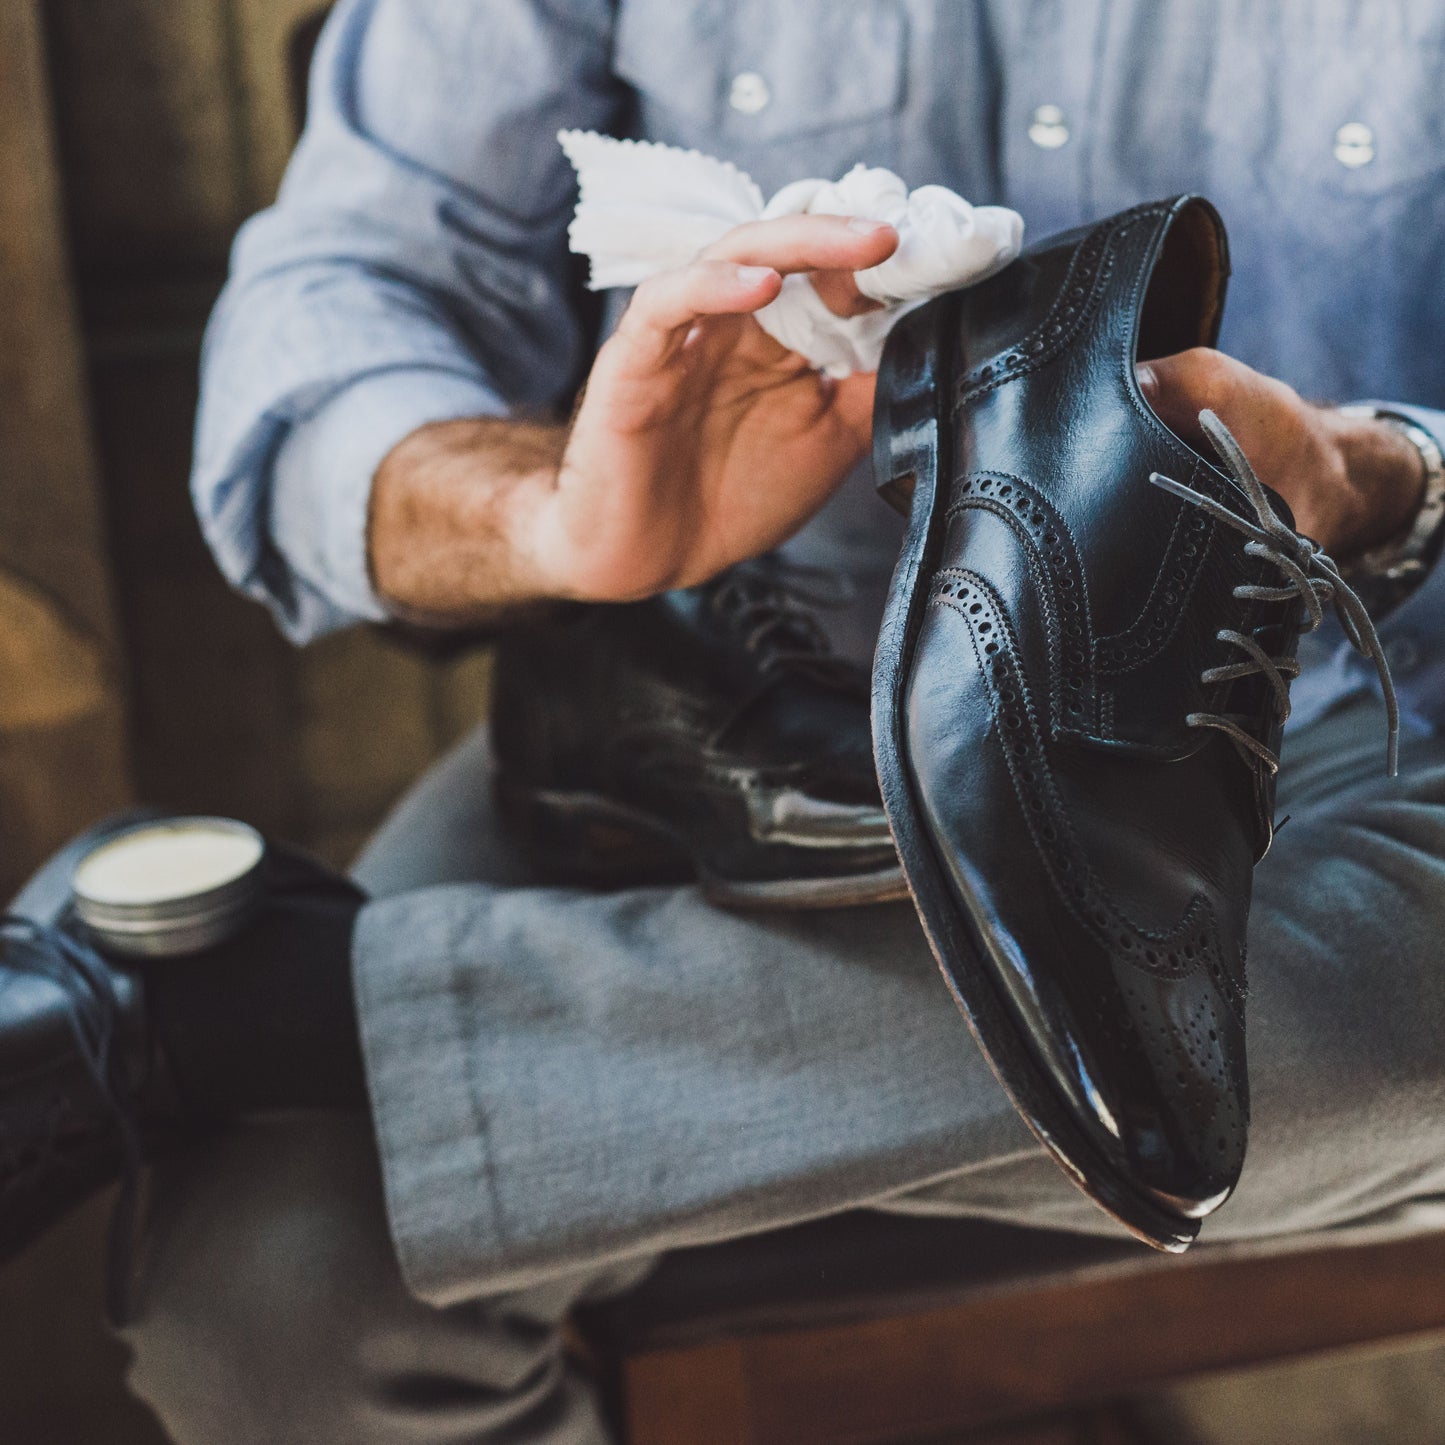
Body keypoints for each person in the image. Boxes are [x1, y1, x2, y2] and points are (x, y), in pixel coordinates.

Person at [7, 3, 1445, 1441]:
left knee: (1412, 1025)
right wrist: (546, 511)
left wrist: (1374, 476)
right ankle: (426, 1031)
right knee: (265, 1301)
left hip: (1354, 714)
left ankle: (275, 1007)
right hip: (735, 711)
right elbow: (344, 301)